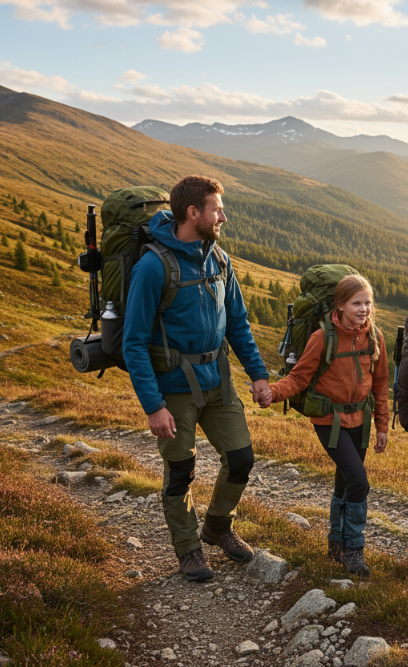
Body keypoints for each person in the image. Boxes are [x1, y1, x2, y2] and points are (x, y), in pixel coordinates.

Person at [122, 175, 272, 583]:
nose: (223, 216)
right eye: (216, 209)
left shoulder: (219, 259)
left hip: (218, 380)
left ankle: (218, 527)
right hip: (174, 386)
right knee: (181, 470)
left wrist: (258, 375)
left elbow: (237, 323)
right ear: (193, 213)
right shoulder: (154, 266)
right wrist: (153, 405)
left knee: (241, 458)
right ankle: (188, 549)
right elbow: (134, 342)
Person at [268, 275, 389, 576]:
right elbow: (299, 377)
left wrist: (382, 426)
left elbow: (382, 382)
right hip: (329, 420)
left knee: (345, 481)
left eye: (367, 303)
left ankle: (335, 544)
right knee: (359, 481)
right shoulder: (322, 337)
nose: (363, 309)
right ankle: (353, 550)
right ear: (340, 305)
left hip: (360, 420)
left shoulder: (374, 336)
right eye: (356, 303)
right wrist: (273, 393)